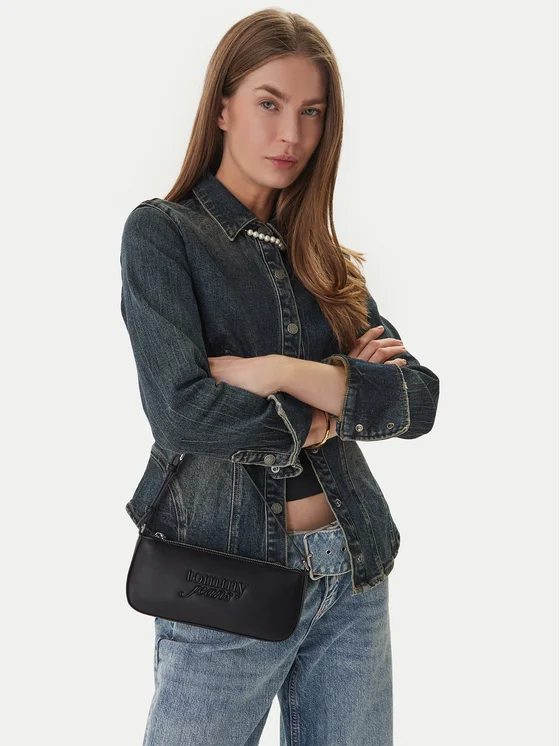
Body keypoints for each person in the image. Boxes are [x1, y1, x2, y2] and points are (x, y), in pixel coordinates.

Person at [120, 9, 439, 745]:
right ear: (223, 107)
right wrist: (332, 403)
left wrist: (281, 371)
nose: (290, 133)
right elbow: (183, 412)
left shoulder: (322, 258)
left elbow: (418, 399)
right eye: (269, 103)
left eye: (311, 112)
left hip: (351, 572)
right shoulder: (164, 235)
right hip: (223, 581)